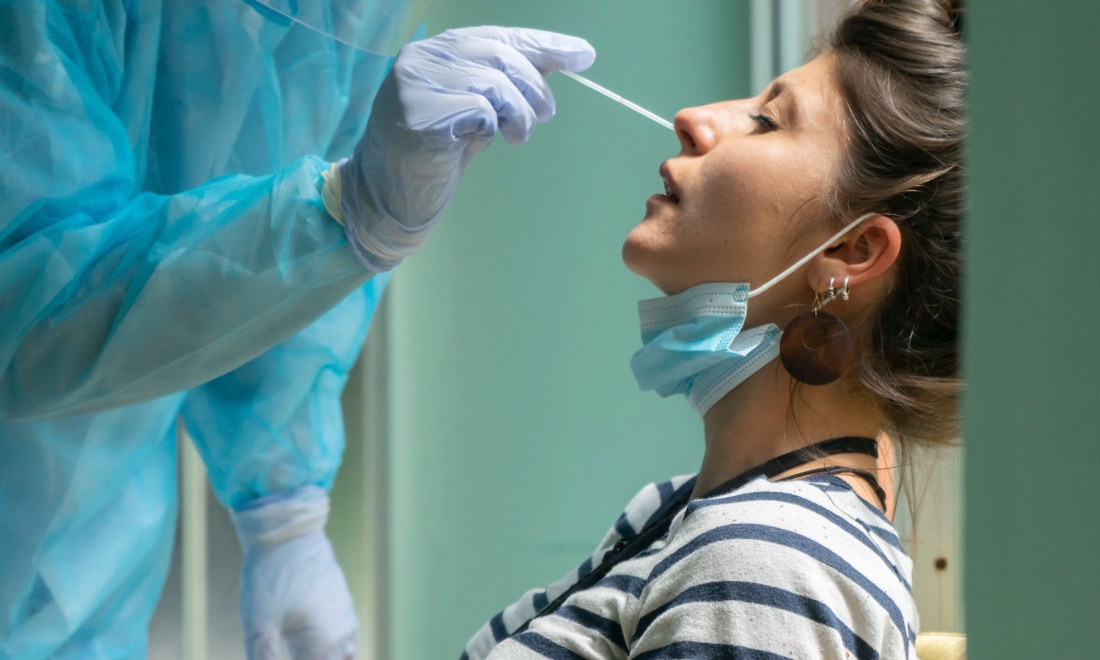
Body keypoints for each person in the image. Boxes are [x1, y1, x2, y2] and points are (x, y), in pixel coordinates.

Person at [0, 1, 594, 656]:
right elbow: (27, 306)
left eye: (737, 121)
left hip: (98, 564)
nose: (693, 125)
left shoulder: (349, 14)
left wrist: (284, 513)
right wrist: (342, 212)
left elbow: (266, 291)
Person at [462, 0, 963, 657]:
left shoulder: (765, 562)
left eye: (766, 121)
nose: (693, 120)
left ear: (851, 252)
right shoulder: (686, 515)